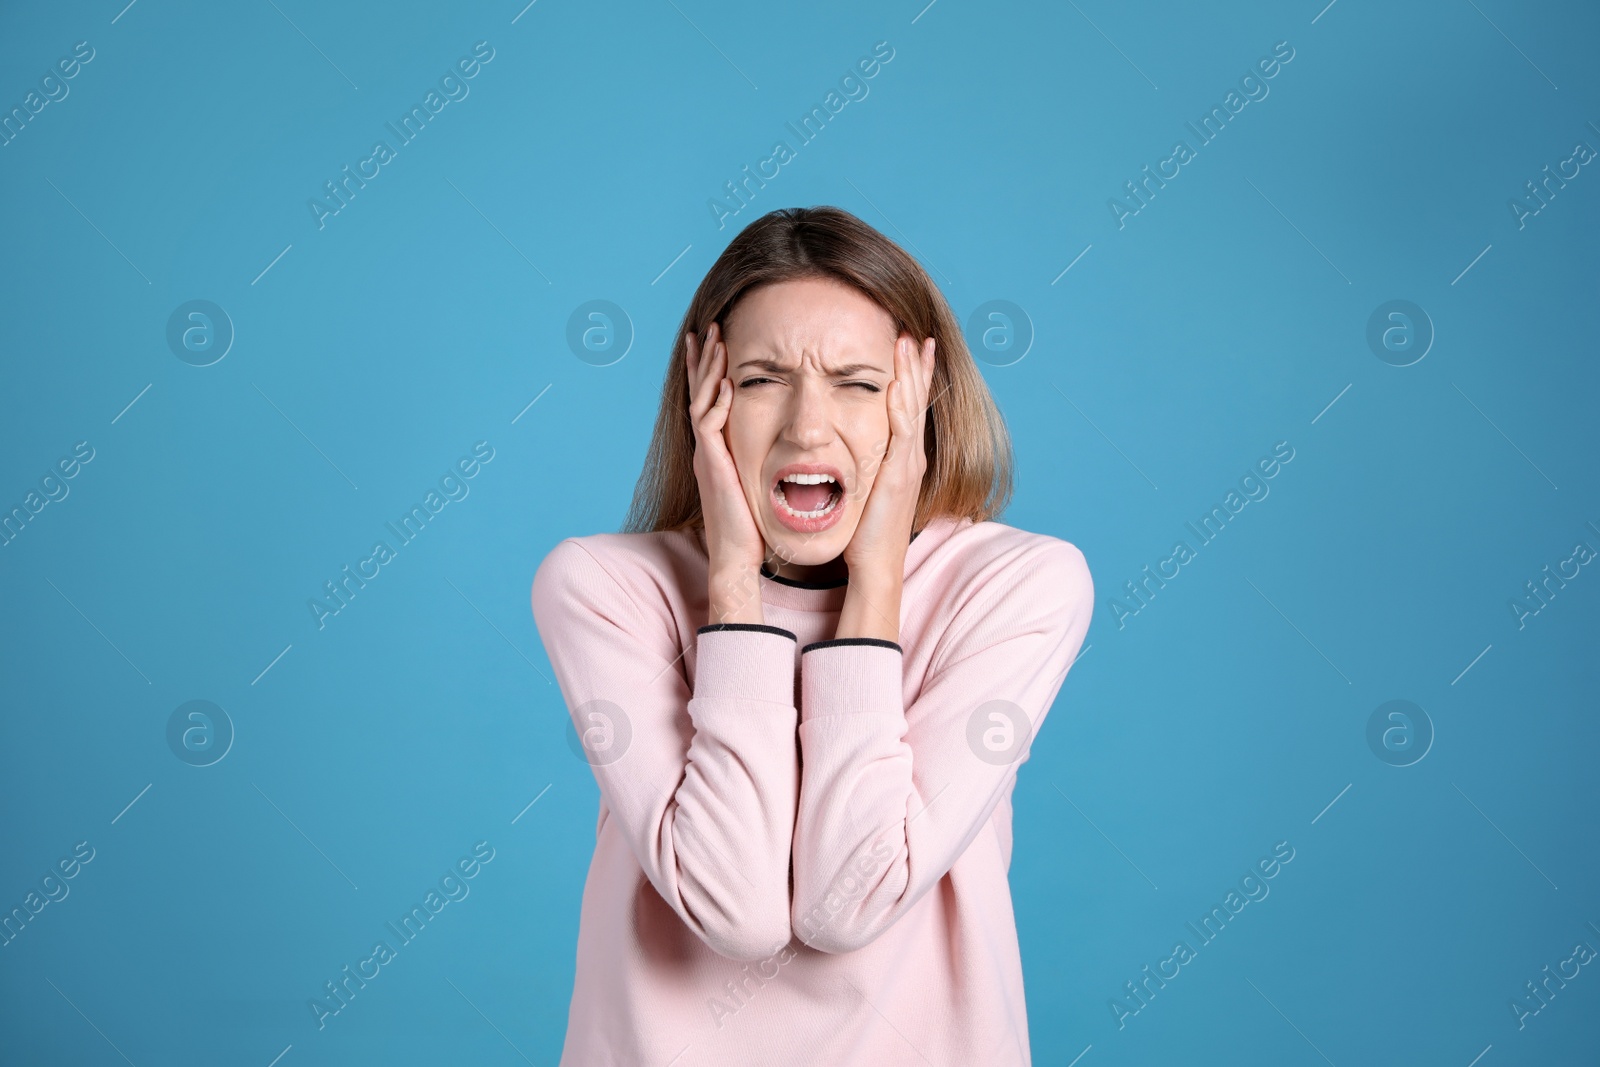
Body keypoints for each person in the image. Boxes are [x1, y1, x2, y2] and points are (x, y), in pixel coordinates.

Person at [530, 205, 1093, 1065]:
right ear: (702, 402)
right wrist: (731, 585)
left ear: (921, 409)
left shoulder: (1015, 586)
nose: (806, 426)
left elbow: (847, 901)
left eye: (859, 383)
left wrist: (875, 588)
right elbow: (737, 911)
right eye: (761, 378)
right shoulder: (606, 589)